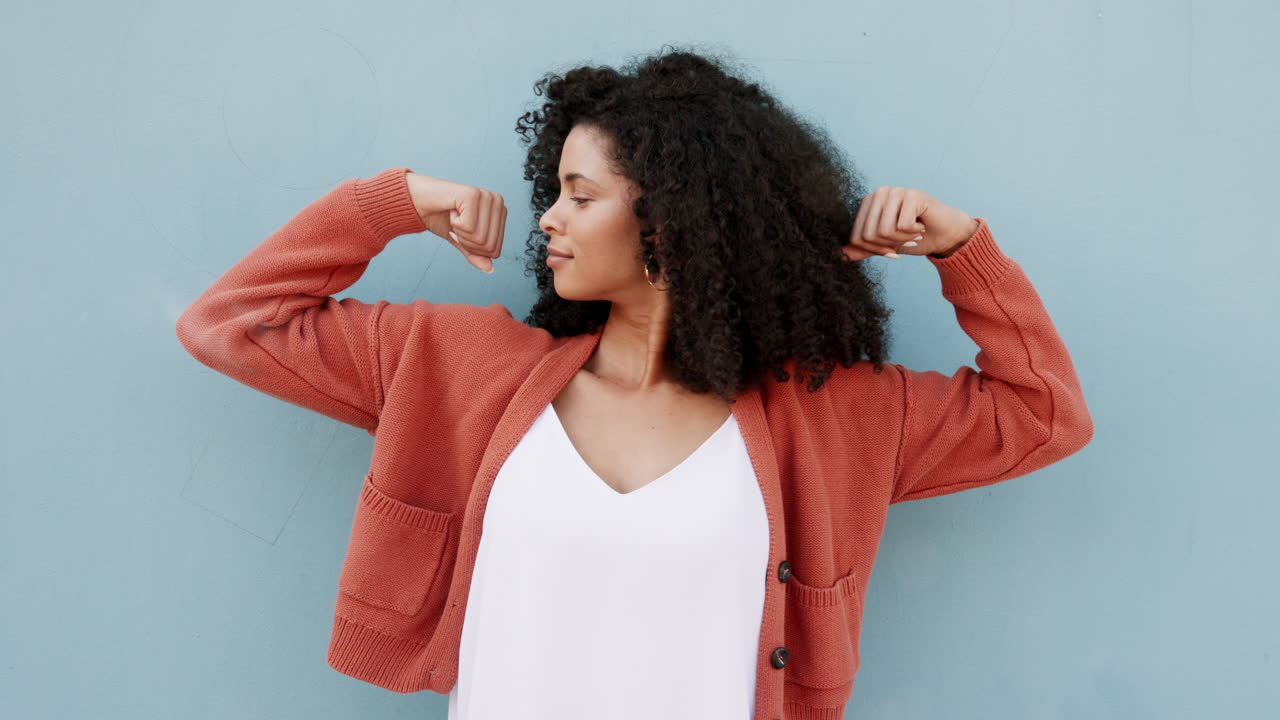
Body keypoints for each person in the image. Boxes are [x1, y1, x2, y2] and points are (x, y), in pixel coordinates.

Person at [175, 45, 1093, 720]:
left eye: (580, 193)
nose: (548, 218)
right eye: (556, 189)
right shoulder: (457, 369)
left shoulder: (838, 419)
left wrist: (962, 248)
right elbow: (231, 324)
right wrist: (392, 202)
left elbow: (1043, 413)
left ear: (673, 219)